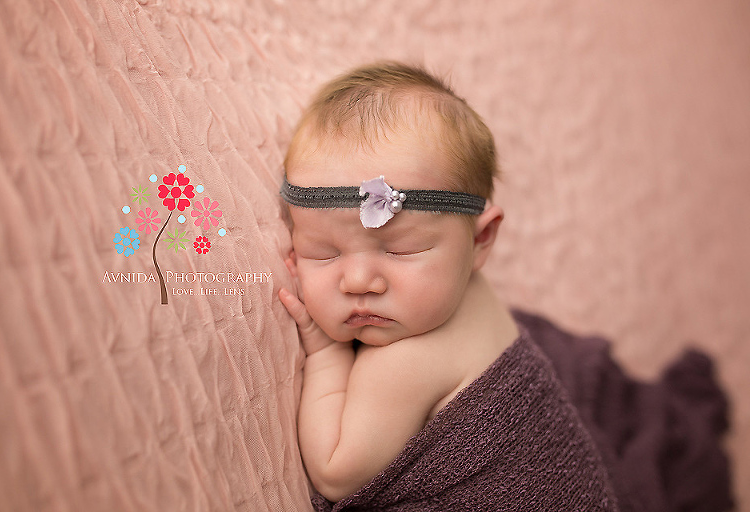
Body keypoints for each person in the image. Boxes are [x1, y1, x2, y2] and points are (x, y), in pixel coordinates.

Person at [277, 62, 732, 512]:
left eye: (399, 251)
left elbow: (335, 473)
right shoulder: (467, 296)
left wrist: (324, 353)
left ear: (480, 239)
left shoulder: (404, 363)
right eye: (323, 253)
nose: (358, 281)